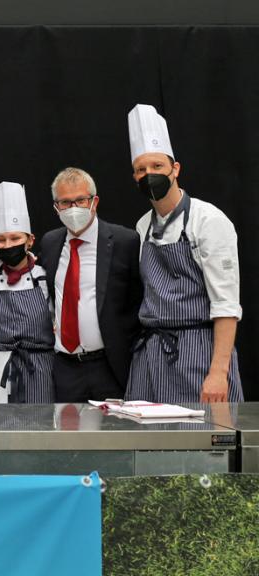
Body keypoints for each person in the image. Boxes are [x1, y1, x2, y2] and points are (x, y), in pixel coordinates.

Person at [125, 104, 243, 403]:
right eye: (141, 170)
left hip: (199, 352)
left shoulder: (209, 221)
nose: (149, 175)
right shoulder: (142, 226)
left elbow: (226, 305)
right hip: (150, 356)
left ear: (175, 169)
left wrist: (218, 373)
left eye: (157, 167)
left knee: (200, 442)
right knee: (147, 446)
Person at [39, 167, 142, 402]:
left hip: (110, 365)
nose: (73, 208)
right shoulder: (51, 242)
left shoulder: (124, 242)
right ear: (56, 207)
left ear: (94, 201)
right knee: (67, 435)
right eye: (65, 202)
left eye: (80, 200)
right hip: (65, 367)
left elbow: (138, 298)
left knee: (114, 435)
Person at [0, 182, 53, 403]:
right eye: (1, 240)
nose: (7, 244)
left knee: (41, 428)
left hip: (40, 367)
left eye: (15, 239)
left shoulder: (45, 278)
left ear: (29, 241)